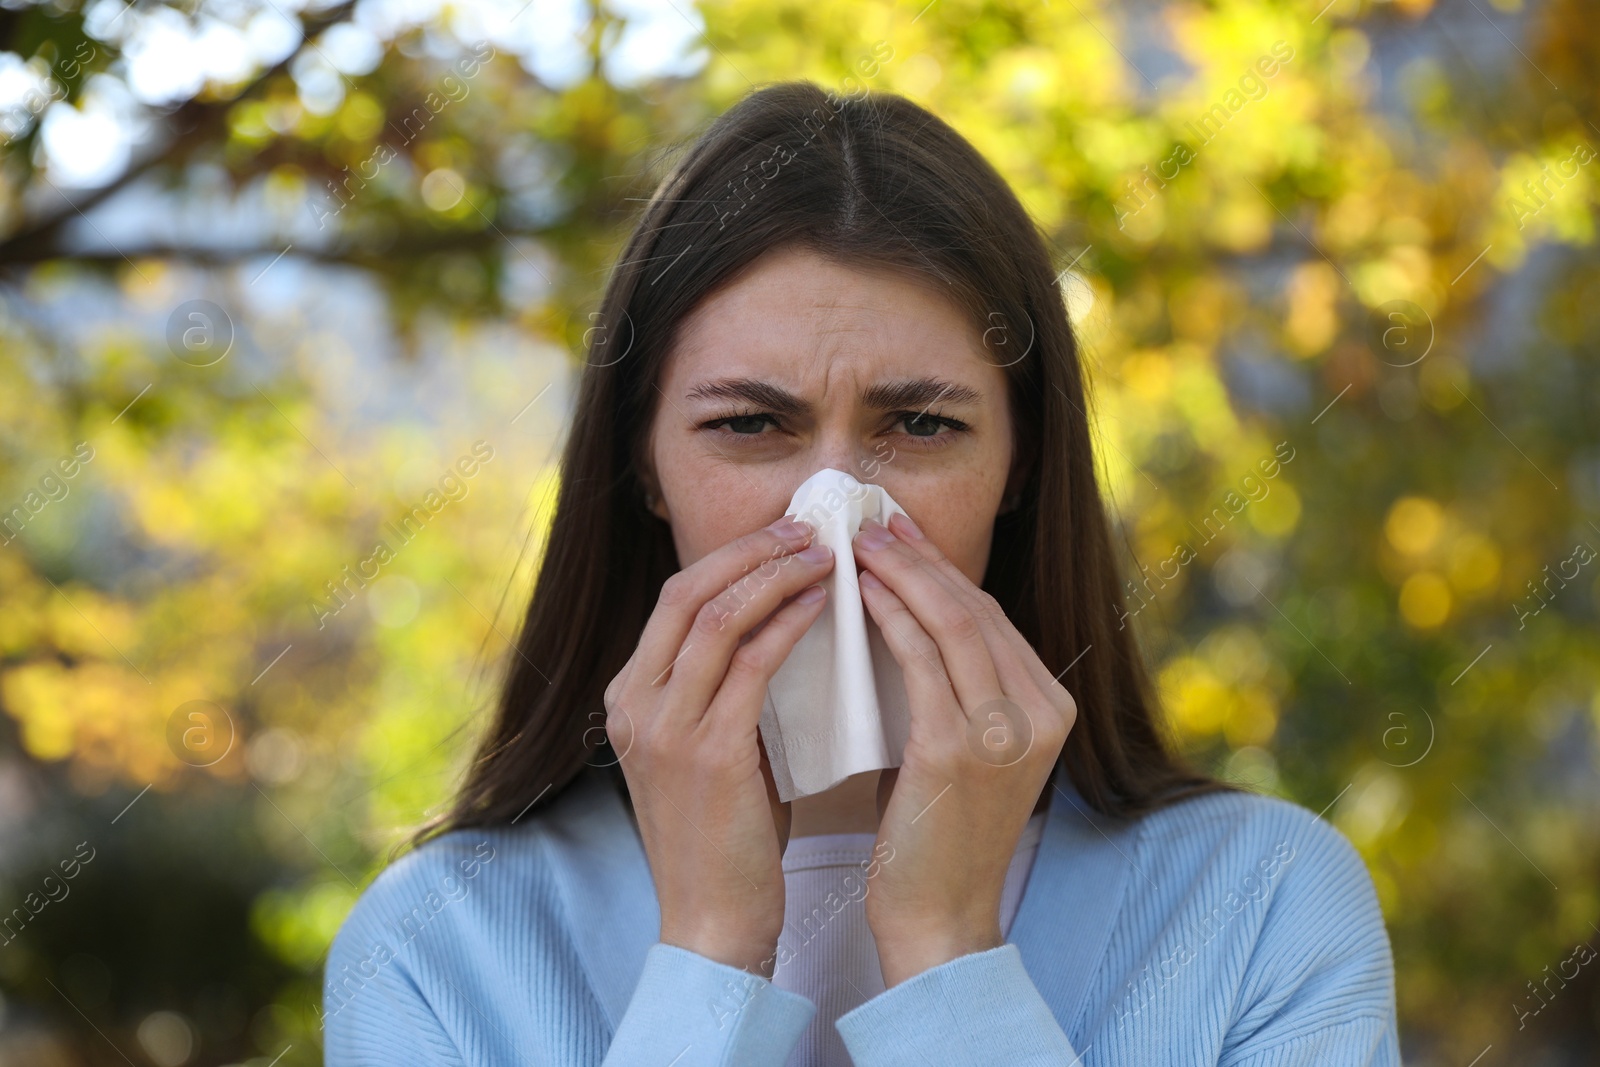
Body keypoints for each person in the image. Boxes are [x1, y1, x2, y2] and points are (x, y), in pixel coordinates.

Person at [322, 80, 1400, 1066]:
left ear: (1020, 465)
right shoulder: (437, 944)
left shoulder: (1261, 903)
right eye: (748, 423)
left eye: (921, 424)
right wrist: (707, 952)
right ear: (643, 465)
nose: (830, 512)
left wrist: (943, 953)